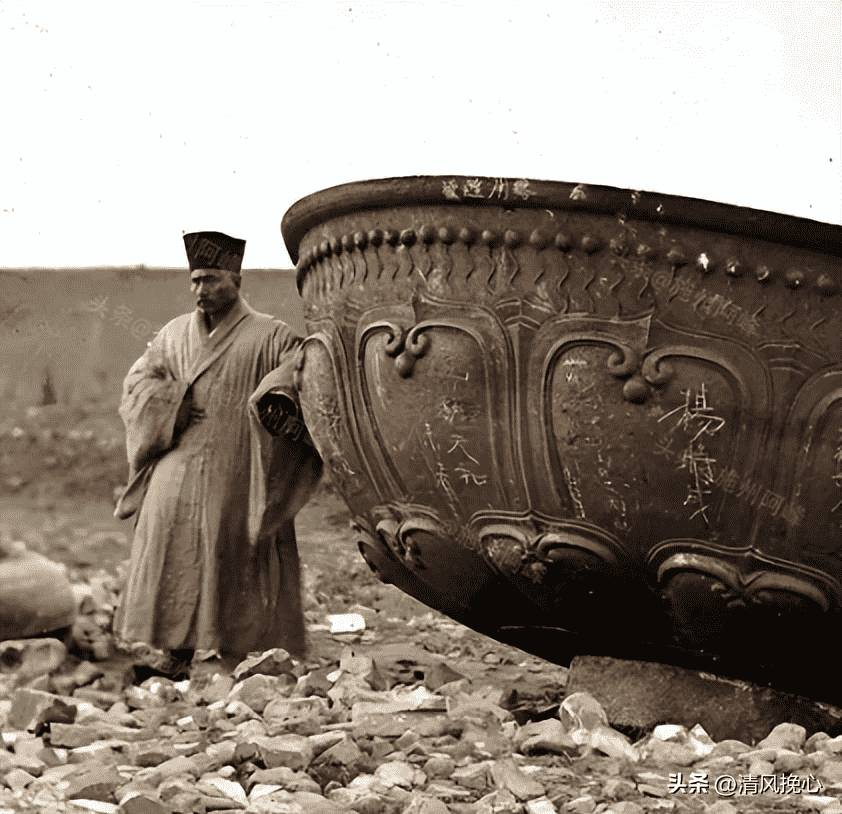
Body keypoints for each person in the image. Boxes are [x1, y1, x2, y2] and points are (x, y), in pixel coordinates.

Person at [113, 230, 321, 675]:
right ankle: (175, 653)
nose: (200, 290)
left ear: (235, 280)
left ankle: (235, 656)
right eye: (195, 280)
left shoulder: (271, 334)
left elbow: (301, 368)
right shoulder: (172, 335)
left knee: (234, 550)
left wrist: (276, 393)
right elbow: (138, 382)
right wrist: (170, 402)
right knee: (170, 546)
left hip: (238, 464)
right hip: (176, 462)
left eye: (210, 279)